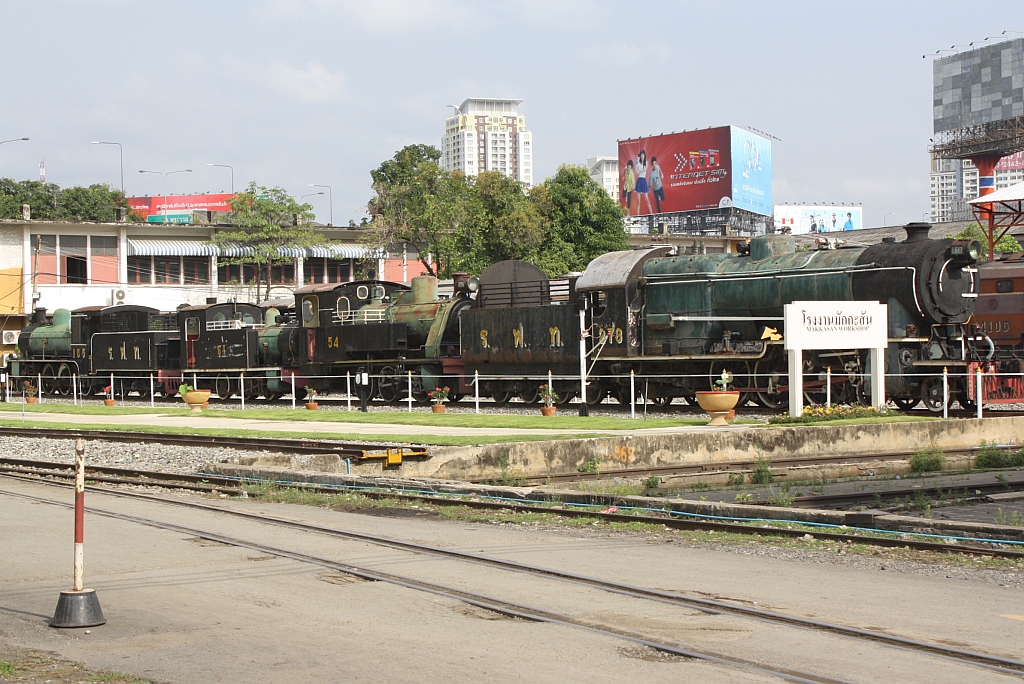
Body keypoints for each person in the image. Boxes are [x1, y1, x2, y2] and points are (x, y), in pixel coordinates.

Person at [634, 150, 654, 215]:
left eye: (643, 155)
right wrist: (637, 160)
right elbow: (635, 171)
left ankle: (652, 214)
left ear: (644, 156)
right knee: (638, 201)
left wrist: (639, 171)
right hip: (639, 180)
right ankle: (637, 215)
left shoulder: (646, 162)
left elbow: (645, 169)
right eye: (641, 155)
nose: (642, 156)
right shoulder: (638, 163)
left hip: (643, 180)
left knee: (647, 200)